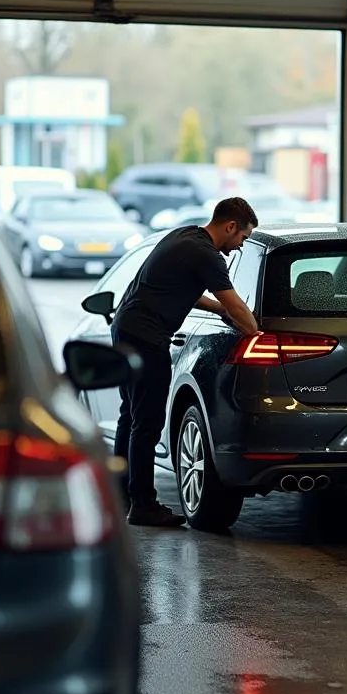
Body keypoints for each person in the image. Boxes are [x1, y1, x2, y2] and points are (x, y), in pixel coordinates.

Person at [111, 197, 260, 527]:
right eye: (242, 238)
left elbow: (187, 290)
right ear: (230, 226)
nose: (238, 247)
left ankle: (120, 494)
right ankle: (144, 504)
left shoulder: (184, 237)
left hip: (125, 328)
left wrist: (217, 309)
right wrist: (256, 332)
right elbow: (236, 305)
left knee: (131, 415)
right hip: (147, 337)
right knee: (147, 422)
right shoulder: (206, 255)